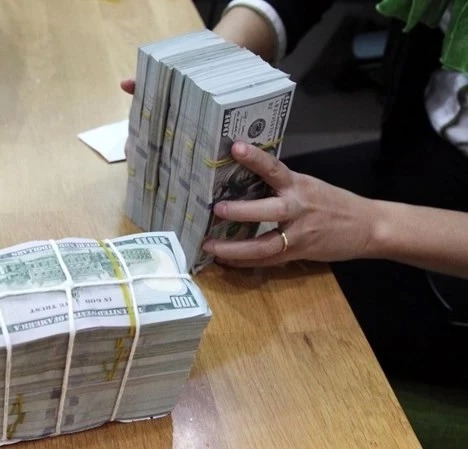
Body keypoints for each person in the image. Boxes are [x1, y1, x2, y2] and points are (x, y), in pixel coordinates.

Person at [121, 0, 468, 385]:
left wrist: (372, 225)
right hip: (412, 145)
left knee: (255, 356)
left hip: (445, 260)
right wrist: (203, 74)